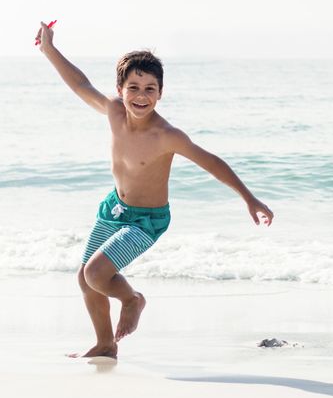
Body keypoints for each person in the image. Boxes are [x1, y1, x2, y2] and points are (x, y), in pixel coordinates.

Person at [35, 23, 273, 358]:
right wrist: (48, 49)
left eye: (150, 88)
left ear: (161, 93)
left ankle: (132, 299)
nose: (141, 95)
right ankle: (106, 345)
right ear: (120, 89)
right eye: (133, 87)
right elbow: (80, 84)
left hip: (147, 220)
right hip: (114, 208)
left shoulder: (167, 135)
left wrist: (249, 198)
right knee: (85, 278)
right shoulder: (114, 112)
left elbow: (212, 162)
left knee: (96, 274)